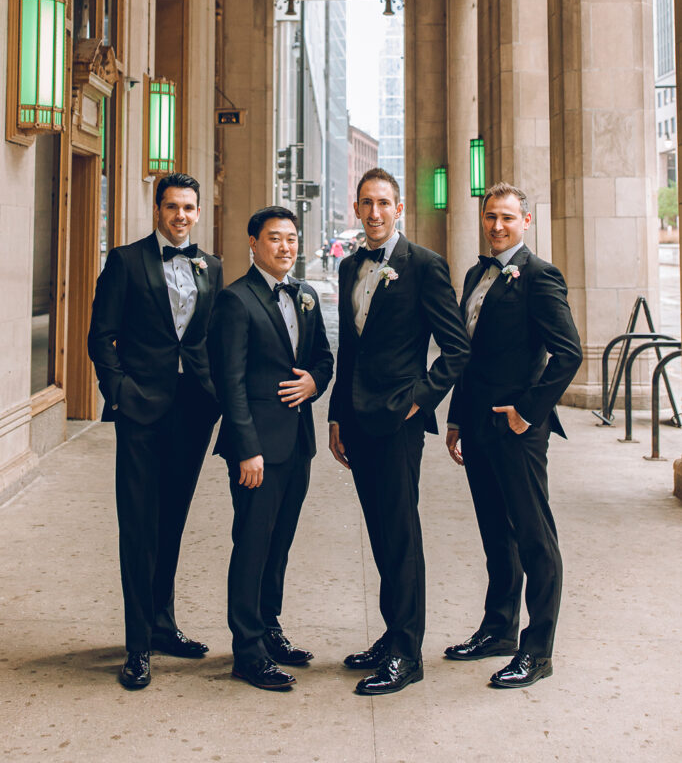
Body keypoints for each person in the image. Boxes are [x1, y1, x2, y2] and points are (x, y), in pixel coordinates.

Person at [328, 168, 470, 695]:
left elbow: (456, 350)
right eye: (366, 203)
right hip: (358, 421)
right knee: (381, 533)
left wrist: (419, 400)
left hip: (399, 422)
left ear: (399, 208)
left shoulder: (425, 267)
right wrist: (336, 416)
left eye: (384, 203)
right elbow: (349, 349)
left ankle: (407, 655)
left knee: (401, 534)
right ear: (358, 208)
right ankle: (392, 636)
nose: (374, 213)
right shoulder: (349, 268)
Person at [87, 173, 223, 690]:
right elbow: (102, 336)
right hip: (141, 410)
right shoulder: (126, 261)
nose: (181, 216)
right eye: (173, 207)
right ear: (157, 209)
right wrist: (119, 393)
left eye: (189, 207)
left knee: (172, 522)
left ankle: (163, 624)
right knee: (139, 525)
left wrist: (216, 397)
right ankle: (137, 643)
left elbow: (207, 339)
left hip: (192, 412)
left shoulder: (211, 266)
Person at [445, 182, 582, 688]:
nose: (497, 226)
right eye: (490, 217)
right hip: (478, 425)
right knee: (495, 534)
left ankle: (538, 650)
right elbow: (468, 357)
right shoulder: (476, 274)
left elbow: (568, 353)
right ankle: (498, 628)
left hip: (518, 430)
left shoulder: (540, 277)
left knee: (534, 537)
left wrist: (528, 412)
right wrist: (457, 418)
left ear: (526, 220)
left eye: (507, 217)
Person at [208, 207, 334, 691]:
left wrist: (314, 385)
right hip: (256, 450)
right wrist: (246, 448)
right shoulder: (236, 301)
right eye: (275, 239)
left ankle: (269, 629)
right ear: (253, 245)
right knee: (253, 546)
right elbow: (230, 382)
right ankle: (247, 651)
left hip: (297, 444)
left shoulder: (305, 295)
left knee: (279, 545)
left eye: (291, 239)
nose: (285, 247)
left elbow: (323, 357)